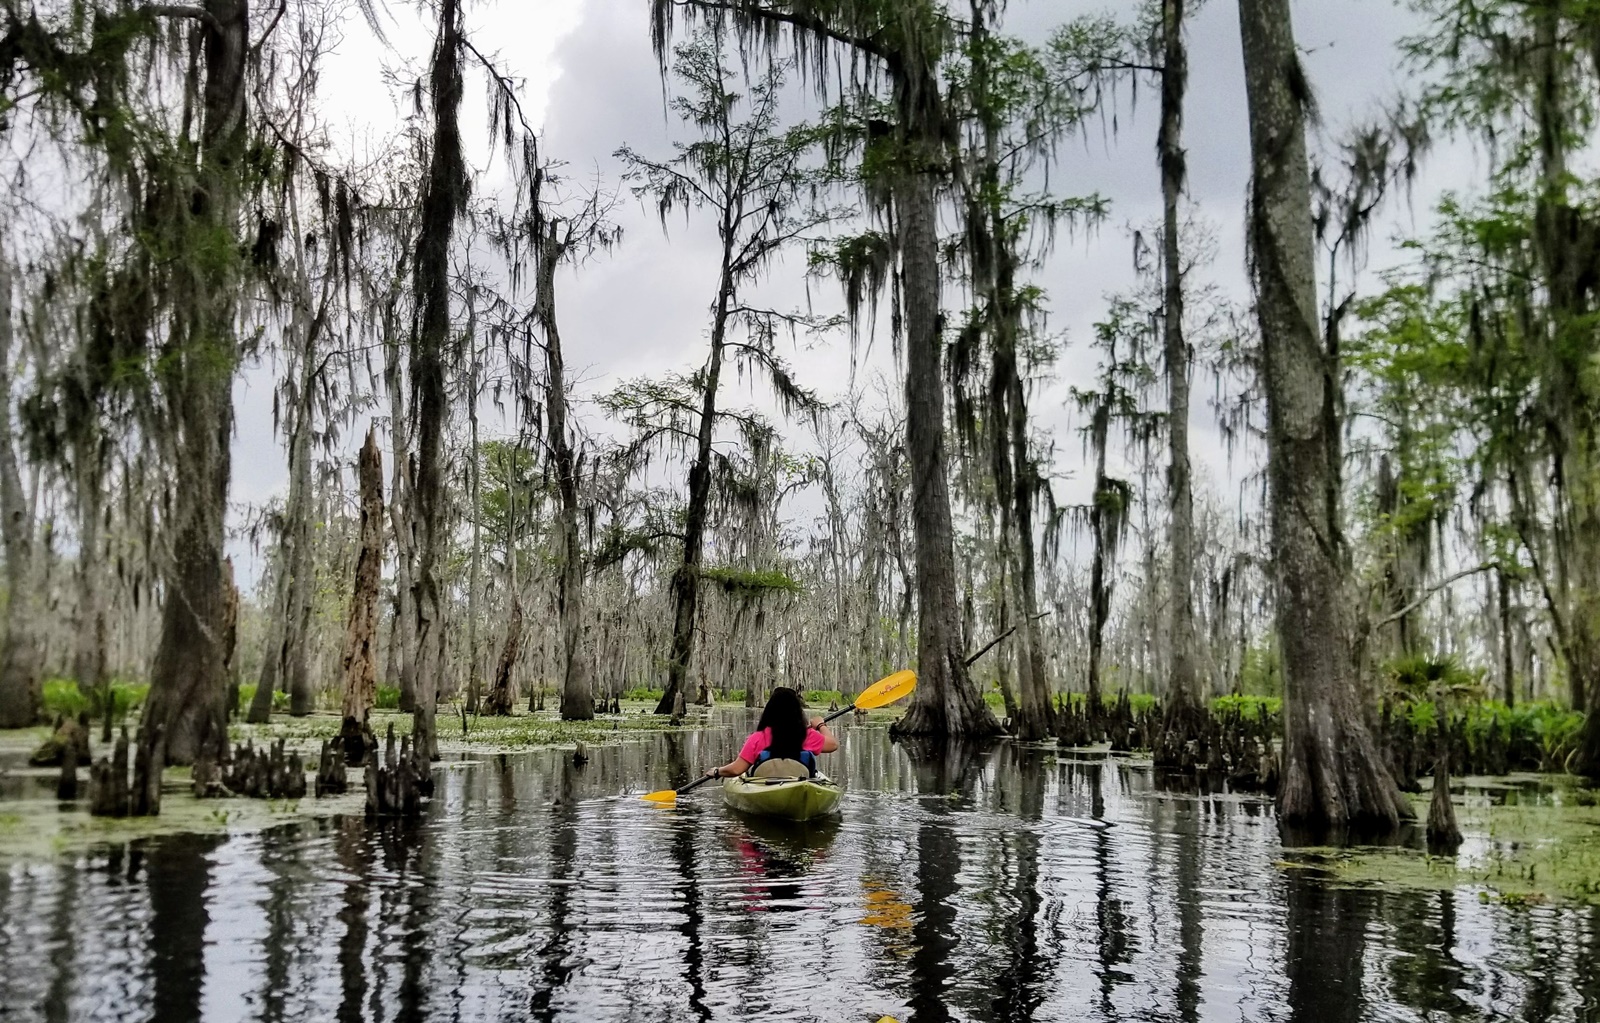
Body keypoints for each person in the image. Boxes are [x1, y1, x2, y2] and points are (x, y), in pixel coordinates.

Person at [706, 687, 839, 780]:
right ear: (798, 713)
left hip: (765, 785)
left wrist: (718, 771)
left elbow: (736, 770)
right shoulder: (807, 735)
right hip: (800, 782)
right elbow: (833, 745)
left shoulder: (758, 738)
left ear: (770, 711)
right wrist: (821, 725)